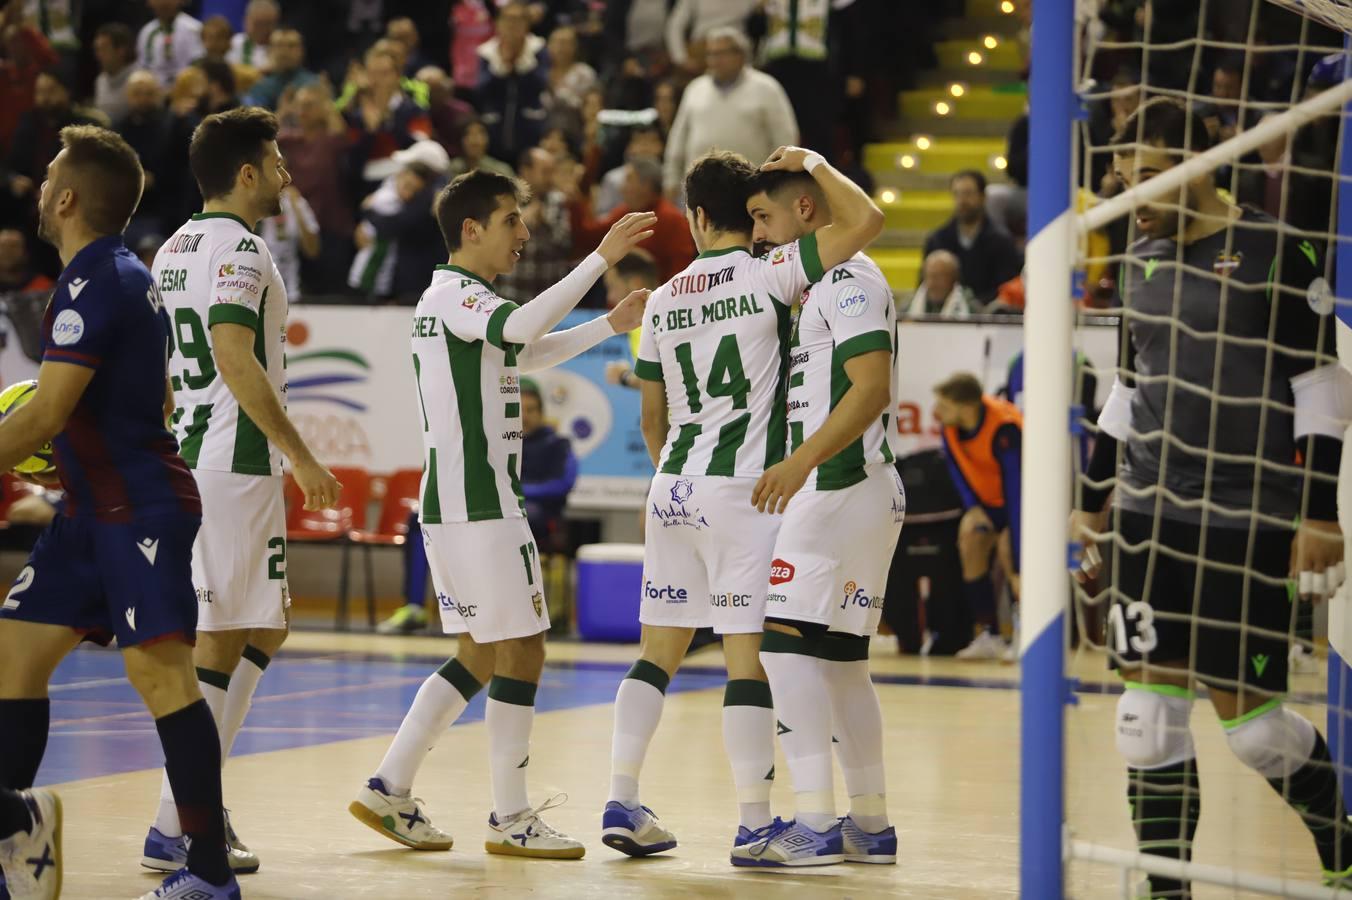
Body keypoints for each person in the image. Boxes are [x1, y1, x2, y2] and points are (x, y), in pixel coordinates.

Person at [1072, 98, 1351, 898]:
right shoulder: (1139, 255)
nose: (1132, 193)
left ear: (1201, 166)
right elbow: (1127, 390)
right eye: (1123, 178)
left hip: (1247, 519)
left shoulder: (1276, 249)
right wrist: (1092, 504)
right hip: (1147, 516)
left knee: (1257, 734)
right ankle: (1167, 889)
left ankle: (1343, 844)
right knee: (1144, 723)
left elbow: (1322, 389)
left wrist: (1321, 515)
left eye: (1149, 176)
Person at [348, 170, 655, 858]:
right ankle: (511, 815)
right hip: (481, 502)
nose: (523, 233)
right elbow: (519, 327)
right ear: (471, 229)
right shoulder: (459, 293)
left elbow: (527, 348)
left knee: (481, 652)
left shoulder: (454, 300)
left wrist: (608, 324)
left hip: (457, 501)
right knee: (524, 647)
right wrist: (599, 259)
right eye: (513, 220)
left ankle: (389, 786)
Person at [599, 146, 883, 863]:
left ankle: (621, 796)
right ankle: (756, 821)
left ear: (695, 217)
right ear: (745, 217)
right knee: (747, 664)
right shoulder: (773, 274)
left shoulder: (661, 298)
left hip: (673, 488)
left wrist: (677, 478)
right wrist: (814, 166)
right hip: (746, 491)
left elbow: (651, 421)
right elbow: (864, 222)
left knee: (654, 655)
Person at [0, 124, 236, 900]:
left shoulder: (101, 280)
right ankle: (12, 835)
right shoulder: (107, 278)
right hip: (88, 511)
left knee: (161, 676)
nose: (37, 188)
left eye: (46, 178)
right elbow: (145, 397)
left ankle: (207, 874)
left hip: (136, 509)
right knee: (13, 659)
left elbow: (43, 416)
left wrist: (36, 445)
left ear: (66, 199)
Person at [144, 107, 341, 880]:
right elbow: (231, 352)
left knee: (268, 626)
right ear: (248, 172)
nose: (288, 176)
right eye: (279, 163)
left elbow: (167, 371)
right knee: (224, 637)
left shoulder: (170, 249)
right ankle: (180, 821)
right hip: (233, 462)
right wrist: (300, 454)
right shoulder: (244, 253)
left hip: (196, 456)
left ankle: (190, 808)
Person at [729, 161, 901, 866]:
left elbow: (871, 388)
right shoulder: (821, 285)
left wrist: (799, 465)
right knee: (841, 663)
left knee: (780, 645)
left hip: (836, 484)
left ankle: (816, 824)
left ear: (805, 208)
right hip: (857, 489)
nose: (760, 235)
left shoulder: (849, 278)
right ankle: (870, 825)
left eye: (765, 220)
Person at [933, 372, 1021, 661]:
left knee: (1011, 552)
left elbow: (1016, 485)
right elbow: (958, 474)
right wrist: (973, 508)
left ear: (965, 407)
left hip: (1022, 503)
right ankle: (988, 634)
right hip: (989, 505)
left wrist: (1013, 533)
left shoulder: (1005, 429)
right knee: (969, 540)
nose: (937, 412)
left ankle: (1023, 632)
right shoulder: (950, 427)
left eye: (944, 406)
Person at [661, 28, 798, 201]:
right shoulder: (695, 89)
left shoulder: (767, 88)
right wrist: (670, 180)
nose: (714, 60)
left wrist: (781, 182)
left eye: (721, 53)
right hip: (700, 191)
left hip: (752, 189)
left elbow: (785, 138)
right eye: (710, 54)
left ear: (740, 55)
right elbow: (678, 139)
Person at [570, 157, 695, 283]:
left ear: (646, 185)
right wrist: (575, 202)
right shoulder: (624, 212)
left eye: (628, 180)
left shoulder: (673, 220)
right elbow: (587, 238)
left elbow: (681, 274)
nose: (622, 188)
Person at [921, 170, 1023, 305]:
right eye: (957, 194)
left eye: (968, 194)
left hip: (988, 317)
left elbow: (1007, 289)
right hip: (944, 317)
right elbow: (924, 286)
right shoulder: (937, 240)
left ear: (982, 197)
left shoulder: (1002, 242)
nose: (962, 200)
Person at [475, 2, 548, 165]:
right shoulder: (486, 52)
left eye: (518, 20)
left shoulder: (538, 49)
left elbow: (540, 84)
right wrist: (503, 66)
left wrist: (522, 63)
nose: (512, 25)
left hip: (528, 130)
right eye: (508, 19)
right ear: (498, 23)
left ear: (527, 24)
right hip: (494, 129)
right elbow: (481, 90)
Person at [497, 147, 572, 304]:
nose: (550, 178)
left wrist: (544, 223)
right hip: (510, 294)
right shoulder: (504, 201)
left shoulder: (557, 201)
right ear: (526, 171)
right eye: (545, 172)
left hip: (547, 298)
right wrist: (518, 221)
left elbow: (565, 245)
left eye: (552, 172)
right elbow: (493, 243)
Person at [520, 380, 578, 553]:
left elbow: (564, 484)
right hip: (508, 510)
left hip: (543, 516)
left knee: (525, 515)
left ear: (541, 413)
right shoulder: (499, 447)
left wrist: (519, 492)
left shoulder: (558, 445)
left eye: (530, 410)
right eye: (518, 410)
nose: (524, 416)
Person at [603, 249, 660, 390]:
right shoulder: (659, 315)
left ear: (635, 284)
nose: (610, 297)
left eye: (613, 287)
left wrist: (623, 376)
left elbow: (656, 382)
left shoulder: (648, 322)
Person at [258, 184, 320, 300]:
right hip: (261, 269)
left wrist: (296, 208)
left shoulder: (296, 201)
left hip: (292, 274)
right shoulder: (256, 200)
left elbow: (313, 250)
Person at [664, 0, 758, 73]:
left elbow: (767, 9)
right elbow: (675, 25)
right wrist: (680, 58)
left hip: (735, 48)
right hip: (701, 50)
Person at [242, 29, 318, 111]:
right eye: (279, 45)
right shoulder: (260, 87)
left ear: (301, 51)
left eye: (291, 46)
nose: (284, 52)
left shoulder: (314, 85)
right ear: (269, 50)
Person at [137, 0, 205, 88]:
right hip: (154, 92)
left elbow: (198, 64)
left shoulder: (194, 29)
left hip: (186, 90)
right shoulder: (146, 32)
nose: (163, 2)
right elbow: (143, 69)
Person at [92, 22, 137, 124]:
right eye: (97, 50)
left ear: (121, 50)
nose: (98, 55)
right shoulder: (100, 80)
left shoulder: (139, 80)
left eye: (103, 49)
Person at [907, 250, 974, 318]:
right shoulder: (909, 305)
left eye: (938, 277)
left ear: (953, 278)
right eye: (929, 276)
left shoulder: (969, 306)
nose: (932, 283)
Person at [447, 118, 514, 178]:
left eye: (480, 133)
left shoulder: (501, 171)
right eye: (467, 134)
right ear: (460, 139)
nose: (474, 139)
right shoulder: (451, 169)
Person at [227, 0, 277, 71]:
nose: (262, 29)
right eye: (258, 24)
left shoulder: (281, 46)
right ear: (246, 21)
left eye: (267, 24)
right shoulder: (235, 43)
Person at [0, 229, 53, 293]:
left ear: (25, 253)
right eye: (2, 246)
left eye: (13, 246)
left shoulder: (44, 287)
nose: (7, 251)